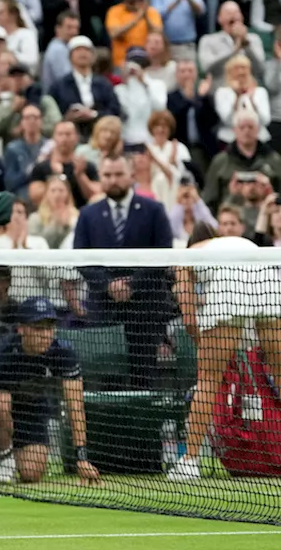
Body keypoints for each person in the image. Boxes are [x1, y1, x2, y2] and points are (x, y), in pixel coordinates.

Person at [168, 232, 281, 481]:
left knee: (208, 379)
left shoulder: (185, 257)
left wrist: (202, 344)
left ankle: (189, 462)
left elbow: (187, 316)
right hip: (266, 279)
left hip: (230, 283)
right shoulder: (227, 244)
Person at [0, 297, 100, 486]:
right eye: (38, 328)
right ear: (21, 329)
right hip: (0, 410)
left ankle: (9, 457)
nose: (45, 335)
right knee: (0, 400)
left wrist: (82, 457)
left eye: (49, 328)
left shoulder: (63, 353)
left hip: (34, 411)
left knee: (32, 474)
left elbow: (76, 407)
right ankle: (4, 455)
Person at [72, 155, 173, 389]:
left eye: (118, 174)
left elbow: (163, 253)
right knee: (106, 380)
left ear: (132, 176)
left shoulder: (154, 210)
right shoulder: (88, 215)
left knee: (144, 380)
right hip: (104, 312)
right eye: (107, 175)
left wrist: (132, 285)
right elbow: (81, 258)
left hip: (145, 312)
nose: (113, 180)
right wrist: (108, 286)